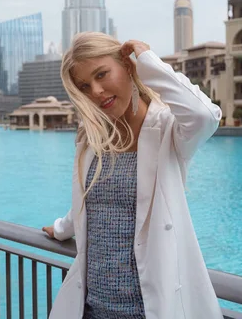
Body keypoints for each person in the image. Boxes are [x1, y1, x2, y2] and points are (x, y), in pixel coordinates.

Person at [42, 32, 223, 319]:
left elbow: (204, 116)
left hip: (147, 311)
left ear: (127, 67)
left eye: (102, 74)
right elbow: (92, 201)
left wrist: (149, 62)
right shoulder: (92, 138)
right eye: (84, 86)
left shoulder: (168, 129)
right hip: (91, 309)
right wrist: (62, 229)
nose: (97, 91)